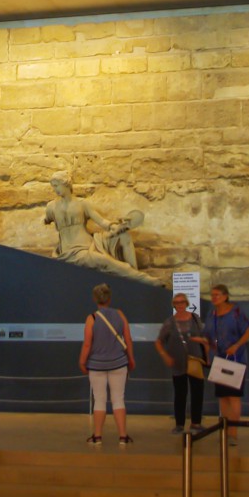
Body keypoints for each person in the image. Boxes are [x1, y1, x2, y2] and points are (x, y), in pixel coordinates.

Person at [44, 170, 160, 287]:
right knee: (103, 260)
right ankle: (144, 280)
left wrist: (113, 226)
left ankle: (135, 278)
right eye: (53, 186)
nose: (54, 189)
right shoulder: (51, 207)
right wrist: (45, 220)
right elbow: (46, 219)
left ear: (66, 184)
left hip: (91, 243)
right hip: (72, 252)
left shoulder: (82, 204)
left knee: (124, 236)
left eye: (56, 185)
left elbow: (101, 221)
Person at [79, 283, 136, 445]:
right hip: (119, 363)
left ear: (94, 299)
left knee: (99, 400)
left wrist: (82, 361)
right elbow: (128, 339)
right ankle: (123, 436)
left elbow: (87, 344)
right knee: (119, 399)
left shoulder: (92, 318)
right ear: (109, 298)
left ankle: (97, 436)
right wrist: (131, 358)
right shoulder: (120, 315)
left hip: (96, 365)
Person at [204, 284, 249, 446]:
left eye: (217, 295)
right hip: (218, 358)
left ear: (225, 296)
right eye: (212, 295)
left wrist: (237, 346)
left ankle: (233, 432)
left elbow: (247, 331)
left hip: (235, 359)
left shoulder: (236, 312)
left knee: (233, 396)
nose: (214, 298)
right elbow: (209, 336)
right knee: (223, 396)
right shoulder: (211, 314)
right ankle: (224, 429)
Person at [155, 292, 209, 435]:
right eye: (176, 303)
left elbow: (204, 337)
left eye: (181, 302)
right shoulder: (169, 322)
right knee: (180, 393)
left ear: (186, 303)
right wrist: (165, 355)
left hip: (195, 361)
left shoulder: (195, 319)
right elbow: (159, 341)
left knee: (197, 392)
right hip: (178, 363)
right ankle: (179, 424)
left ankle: (196, 423)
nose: (179, 305)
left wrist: (206, 353)